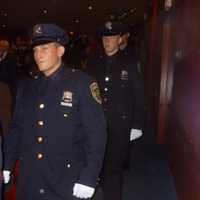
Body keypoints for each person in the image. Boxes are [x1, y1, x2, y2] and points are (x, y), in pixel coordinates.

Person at [3, 23, 107, 200]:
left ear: (60, 51)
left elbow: (96, 133)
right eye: (35, 49)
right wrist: (7, 163)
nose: (38, 55)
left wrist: (89, 176)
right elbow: (17, 128)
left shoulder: (81, 84)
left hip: (65, 179)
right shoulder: (26, 86)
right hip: (30, 179)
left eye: (44, 48)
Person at [86, 20, 145, 200]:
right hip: (96, 125)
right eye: (105, 37)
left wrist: (137, 124)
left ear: (119, 39)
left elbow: (139, 95)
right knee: (99, 166)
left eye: (111, 37)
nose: (107, 41)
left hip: (120, 125)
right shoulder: (94, 62)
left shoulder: (130, 62)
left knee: (114, 170)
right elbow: (87, 91)